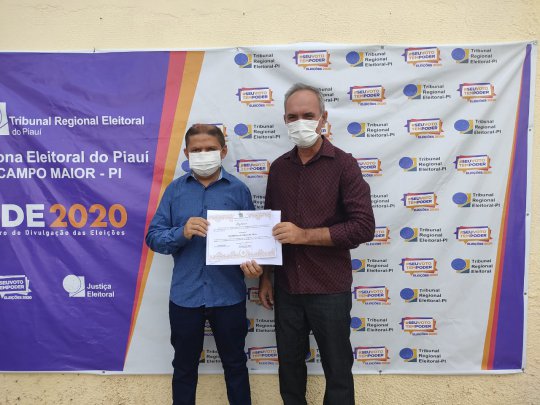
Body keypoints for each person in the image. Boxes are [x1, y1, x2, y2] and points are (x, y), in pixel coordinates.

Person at [258, 84, 375, 405]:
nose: (300, 122)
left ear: (323, 118)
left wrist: (304, 235)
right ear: (285, 119)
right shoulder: (279, 168)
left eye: (308, 115)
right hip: (287, 287)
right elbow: (269, 226)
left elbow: (363, 227)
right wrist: (266, 277)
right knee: (289, 371)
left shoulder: (344, 165)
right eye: (292, 116)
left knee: (337, 371)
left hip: (329, 288)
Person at [146, 124, 262, 405]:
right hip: (185, 297)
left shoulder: (239, 190)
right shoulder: (174, 191)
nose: (203, 154)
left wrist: (255, 264)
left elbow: (253, 240)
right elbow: (153, 237)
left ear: (223, 151)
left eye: (210, 148)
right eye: (196, 150)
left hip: (229, 296)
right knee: (184, 369)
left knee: (235, 366)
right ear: (186, 153)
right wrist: (181, 232)